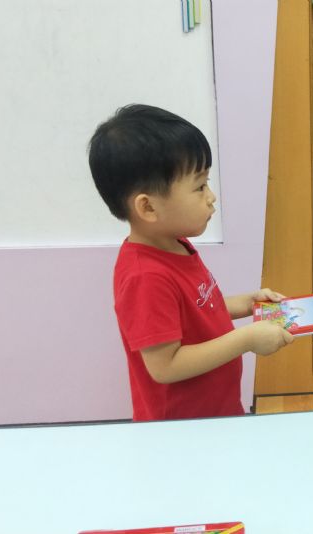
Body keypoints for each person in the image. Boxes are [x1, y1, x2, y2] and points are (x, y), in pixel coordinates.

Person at [88, 104, 292, 421]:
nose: (211, 196)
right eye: (199, 187)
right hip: (182, 428)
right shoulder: (146, 277)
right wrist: (247, 339)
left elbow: (198, 311)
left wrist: (249, 303)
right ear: (148, 207)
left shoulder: (176, 244)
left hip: (216, 413)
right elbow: (165, 366)